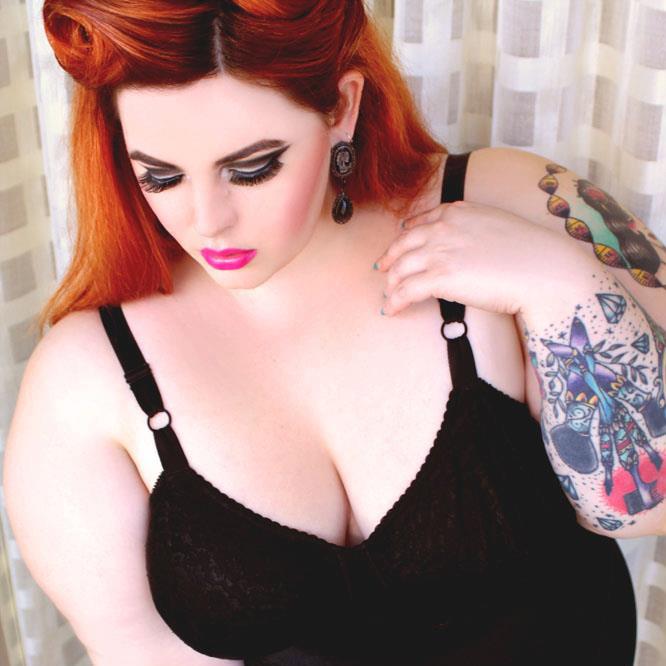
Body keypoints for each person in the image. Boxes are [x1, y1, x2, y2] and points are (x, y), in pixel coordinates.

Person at [5, 0, 665, 664]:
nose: (209, 221)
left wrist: (558, 282)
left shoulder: (511, 198)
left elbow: (641, 509)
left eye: (252, 168)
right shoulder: (85, 379)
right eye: (161, 176)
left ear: (342, 107)